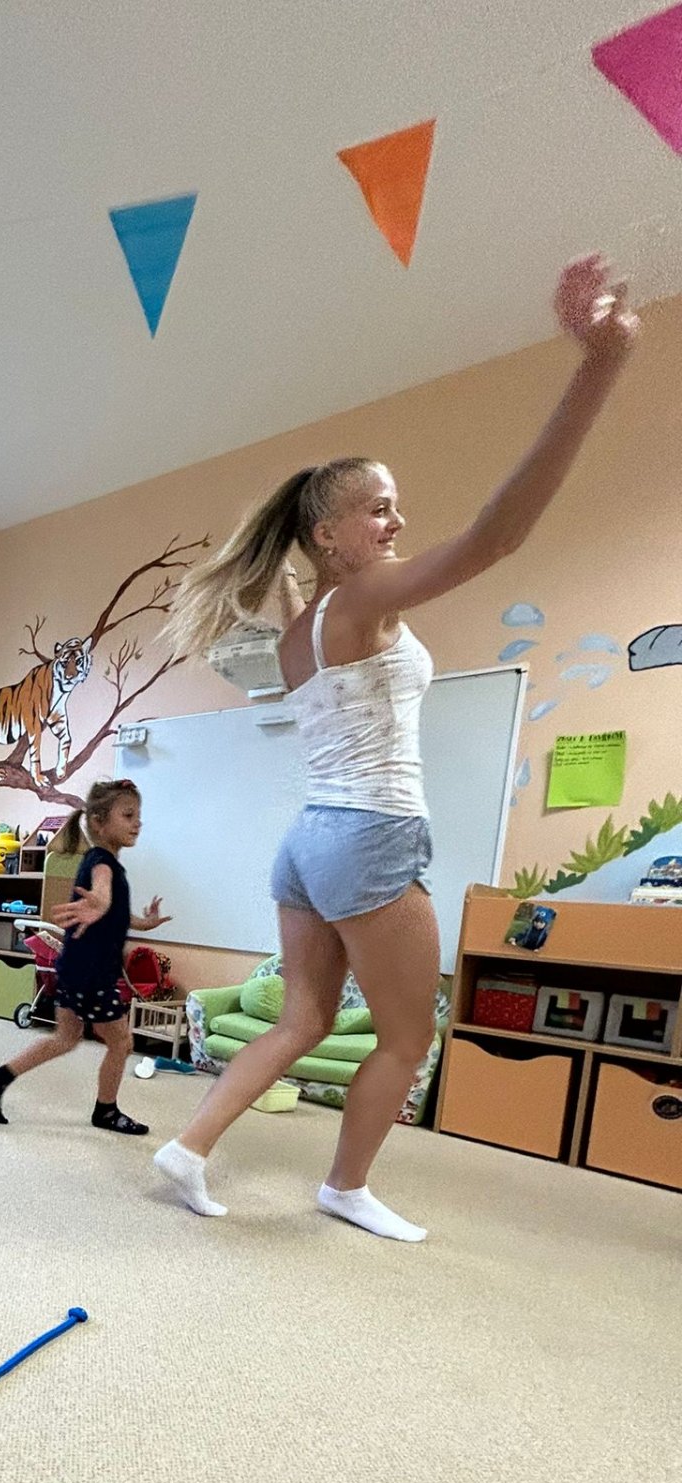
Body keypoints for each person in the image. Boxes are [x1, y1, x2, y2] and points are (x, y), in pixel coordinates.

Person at [152, 254, 638, 1241]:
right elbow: (496, 537)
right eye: (379, 506)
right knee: (409, 1035)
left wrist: (304, 568)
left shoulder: (301, 630)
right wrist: (599, 365)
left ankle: (188, 1146)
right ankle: (345, 1186)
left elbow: (307, 593)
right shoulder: (361, 598)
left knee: (303, 1018)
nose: (398, 520)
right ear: (330, 534)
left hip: (309, 843)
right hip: (368, 834)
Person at [0, 778, 169, 1133]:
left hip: (75, 968)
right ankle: (106, 1111)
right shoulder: (103, 864)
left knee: (65, 1038)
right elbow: (103, 893)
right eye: (128, 815)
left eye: (138, 815)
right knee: (121, 1042)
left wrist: (144, 922)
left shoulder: (103, 862)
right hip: (93, 974)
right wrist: (101, 900)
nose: (137, 823)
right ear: (99, 822)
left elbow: (113, 911)